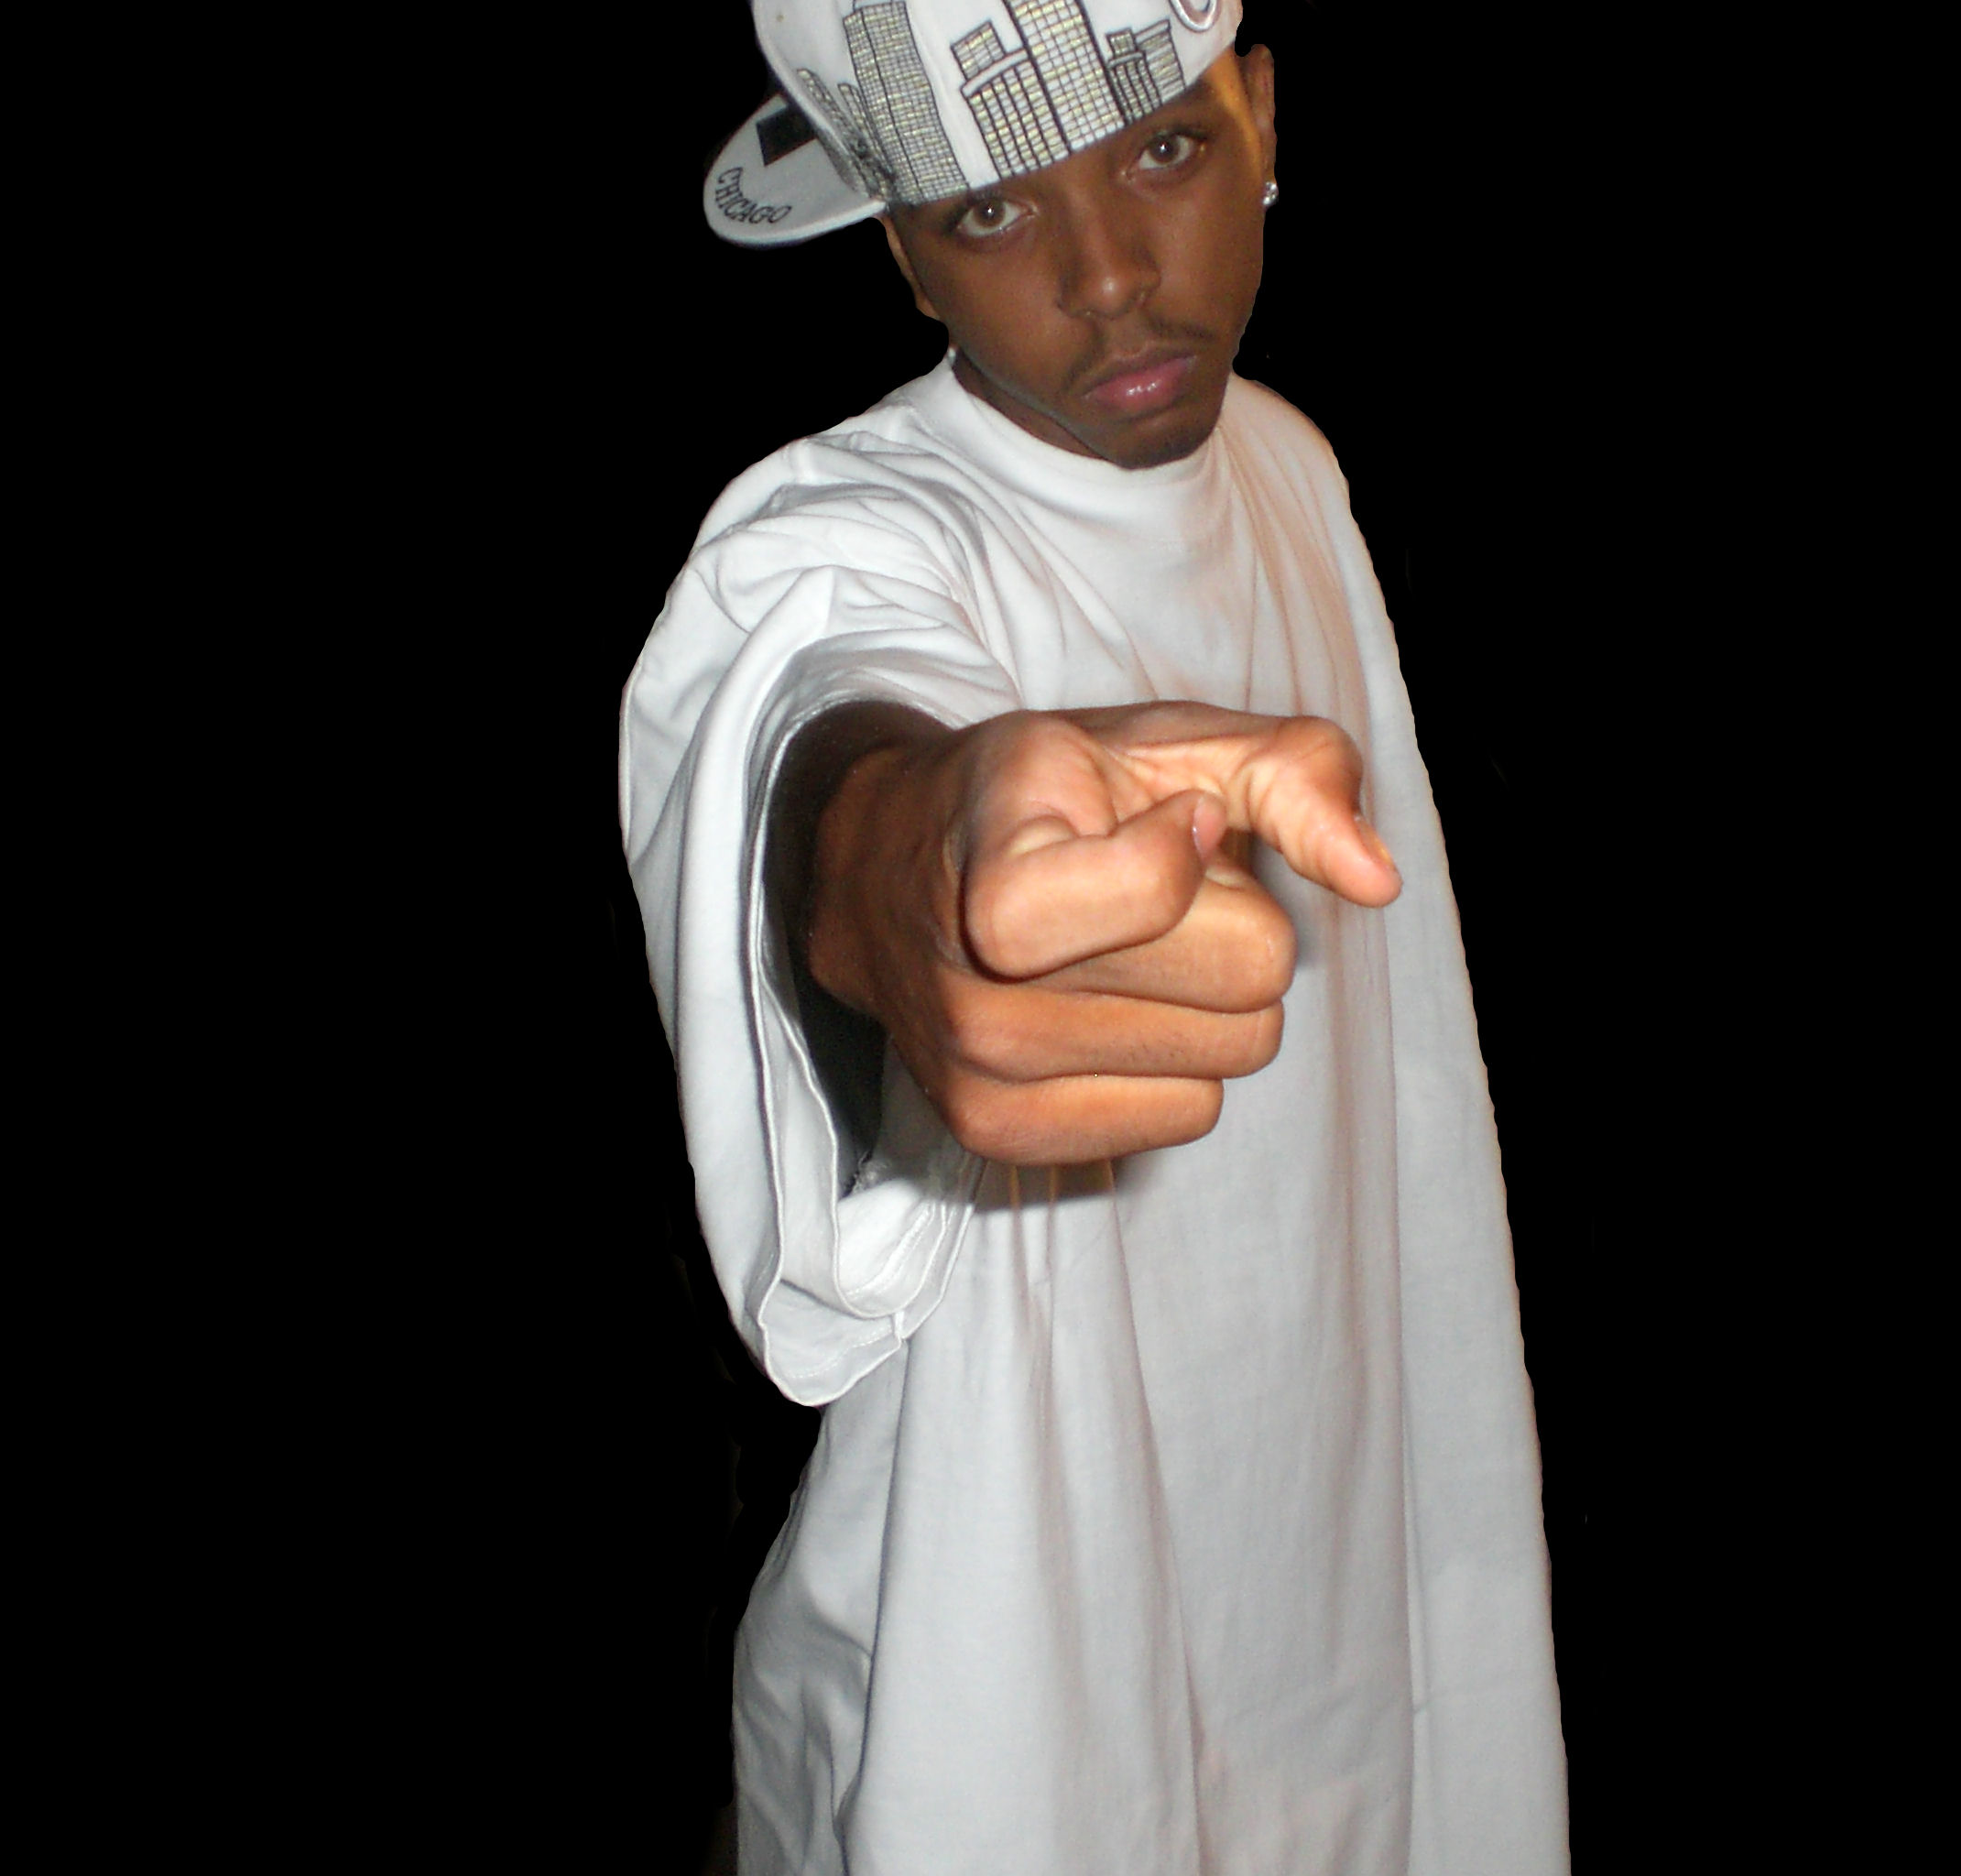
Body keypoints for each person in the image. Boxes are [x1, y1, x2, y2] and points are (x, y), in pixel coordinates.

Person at [622, 5, 1567, 1869]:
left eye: (1162, 149)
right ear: (901, 251)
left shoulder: (1291, 470)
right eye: (987, 209)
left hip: (1337, 1591)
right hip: (1003, 1661)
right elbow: (816, 722)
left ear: (1262, 115)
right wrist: (914, 877)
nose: (1112, 273)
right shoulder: (841, 530)